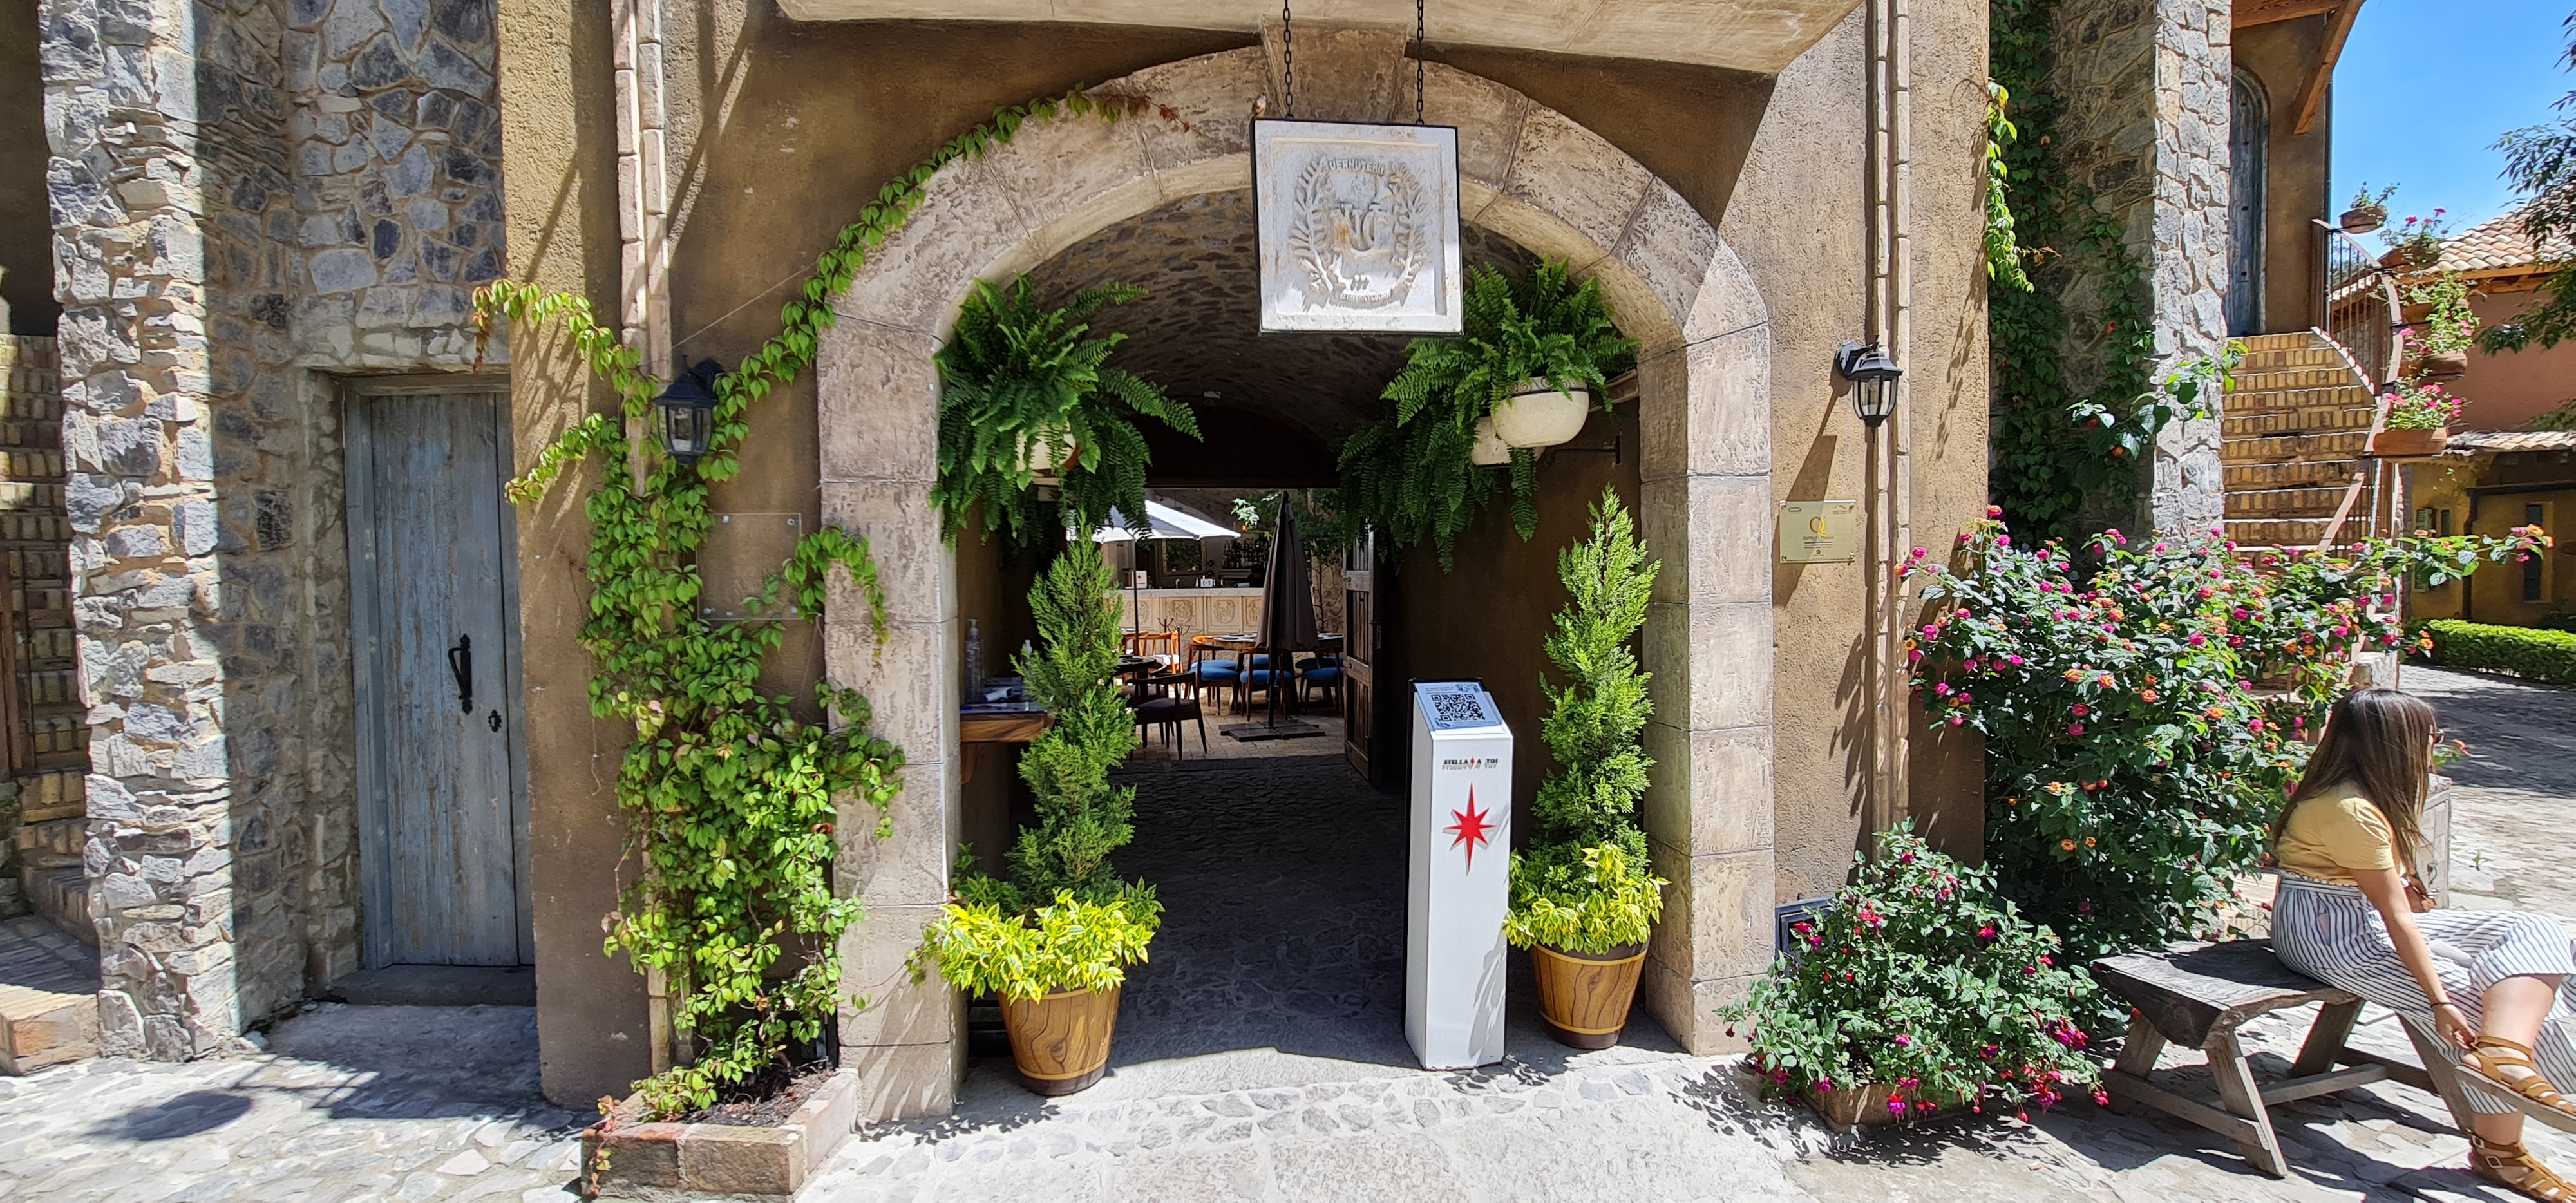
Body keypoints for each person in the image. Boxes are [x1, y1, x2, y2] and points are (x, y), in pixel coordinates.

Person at [2271, 688, 2576, 1200]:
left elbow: (2400, 904)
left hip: (2348, 916)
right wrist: (2438, 1001)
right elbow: (2396, 918)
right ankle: (2500, 1152)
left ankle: (2505, 1053)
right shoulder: (2351, 808)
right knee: (2472, 1005)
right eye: (2429, 737)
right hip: (2332, 935)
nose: (2434, 745)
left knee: (2537, 930)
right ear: (2396, 742)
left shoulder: (2362, 793)